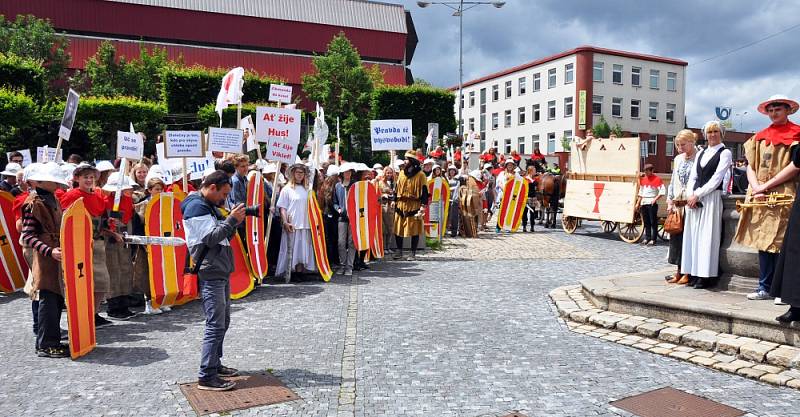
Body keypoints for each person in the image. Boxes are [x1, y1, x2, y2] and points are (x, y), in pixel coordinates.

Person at [182, 170, 245, 391]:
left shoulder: (207, 205)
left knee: (223, 321)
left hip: (219, 267)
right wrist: (231, 220)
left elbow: (223, 236)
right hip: (210, 269)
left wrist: (232, 223)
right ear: (211, 187)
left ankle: (214, 365)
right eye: (223, 194)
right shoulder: (196, 207)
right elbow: (210, 237)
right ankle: (206, 376)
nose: (224, 199)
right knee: (215, 324)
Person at [740, 95, 800, 320]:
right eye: (771, 109)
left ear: (787, 111)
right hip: (762, 194)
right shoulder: (759, 137)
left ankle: (781, 289)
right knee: (763, 239)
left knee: (783, 242)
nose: (774, 113)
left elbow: (795, 166)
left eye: (778, 109)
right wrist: (757, 187)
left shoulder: (796, 134)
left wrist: (765, 185)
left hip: (784, 192)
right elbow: (750, 165)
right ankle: (764, 285)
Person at [21, 162, 68, 358]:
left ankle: (50, 340)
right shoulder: (34, 202)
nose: (57, 184)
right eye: (52, 180)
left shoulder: (51, 198)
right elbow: (28, 236)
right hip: (46, 256)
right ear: (39, 181)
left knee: (56, 300)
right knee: (48, 300)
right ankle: (46, 344)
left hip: (56, 253)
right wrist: (49, 251)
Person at [59, 162, 113, 328]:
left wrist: (110, 225)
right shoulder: (71, 196)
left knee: (102, 283)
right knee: (80, 284)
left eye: (91, 177)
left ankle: (93, 315)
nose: (89, 180)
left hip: (97, 244)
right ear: (77, 179)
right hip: (78, 245)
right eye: (85, 177)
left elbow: (101, 220)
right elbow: (64, 221)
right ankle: (79, 319)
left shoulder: (97, 196)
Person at [681, 121, 733, 289]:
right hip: (695, 199)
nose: (712, 135)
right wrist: (690, 194)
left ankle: (706, 275)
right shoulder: (702, 153)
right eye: (710, 132)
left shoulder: (725, 153)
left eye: (716, 132)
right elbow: (693, 177)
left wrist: (698, 194)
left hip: (711, 198)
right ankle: (693, 272)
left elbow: (716, 179)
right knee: (693, 236)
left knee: (707, 237)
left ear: (721, 134)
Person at [665, 129, 698, 284]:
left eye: (683, 144)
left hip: (691, 205)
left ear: (692, 142)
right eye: (678, 145)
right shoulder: (678, 159)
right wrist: (670, 200)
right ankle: (678, 270)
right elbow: (673, 180)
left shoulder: (699, 157)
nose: (680, 148)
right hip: (678, 205)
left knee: (689, 240)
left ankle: (688, 272)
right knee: (677, 239)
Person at [276, 164, 318, 281]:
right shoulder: (287, 189)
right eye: (298, 172)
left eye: (302, 172)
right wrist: (285, 222)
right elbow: (282, 208)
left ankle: (300, 271)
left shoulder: (307, 190)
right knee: (291, 249)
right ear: (293, 174)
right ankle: (291, 271)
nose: (300, 175)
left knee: (302, 249)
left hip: (305, 223)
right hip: (292, 223)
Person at [393, 150, 428, 261]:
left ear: (412, 161)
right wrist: (394, 199)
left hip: (414, 205)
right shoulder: (402, 173)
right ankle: (399, 251)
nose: (405, 161)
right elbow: (397, 188)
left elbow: (425, 191)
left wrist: (423, 205)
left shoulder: (421, 175)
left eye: (407, 159)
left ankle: (412, 253)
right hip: (400, 204)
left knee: (414, 229)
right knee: (398, 228)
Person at [334, 163, 356, 275]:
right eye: (346, 172)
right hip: (342, 218)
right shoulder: (338, 186)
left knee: (352, 242)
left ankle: (349, 267)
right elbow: (335, 202)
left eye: (349, 171)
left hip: (353, 218)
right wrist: (338, 209)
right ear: (342, 173)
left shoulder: (355, 185)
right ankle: (342, 265)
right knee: (341, 242)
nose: (348, 173)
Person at [638, 164, 665, 246]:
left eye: (647, 171)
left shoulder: (657, 179)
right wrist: (638, 202)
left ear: (652, 170)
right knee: (646, 222)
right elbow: (641, 192)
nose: (645, 172)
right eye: (645, 171)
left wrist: (655, 199)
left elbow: (662, 191)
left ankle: (653, 239)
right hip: (644, 202)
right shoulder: (643, 179)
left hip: (651, 202)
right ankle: (647, 237)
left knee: (653, 222)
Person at [377, 166, 397, 250]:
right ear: (384, 173)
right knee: (383, 228)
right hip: (383, 206)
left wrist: (394, 200)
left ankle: (388, 247)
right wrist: (383, 195)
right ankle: (383, 248)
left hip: (391, 207)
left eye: (390, 172)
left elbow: (396, 194)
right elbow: (377, 194)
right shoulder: (380, 182)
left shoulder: (394, 183)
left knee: (390, 227)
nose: (389, 174)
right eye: (387, 172)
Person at [521, 166, 538, 232]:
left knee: (532, 212)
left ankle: (532, 226)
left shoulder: (534, 179)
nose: (535, 172)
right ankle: (524, 226)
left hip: (533, 197)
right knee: (524, 212)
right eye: (534, 170)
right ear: (530, 171)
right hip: (526, 197)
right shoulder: (525, 179)